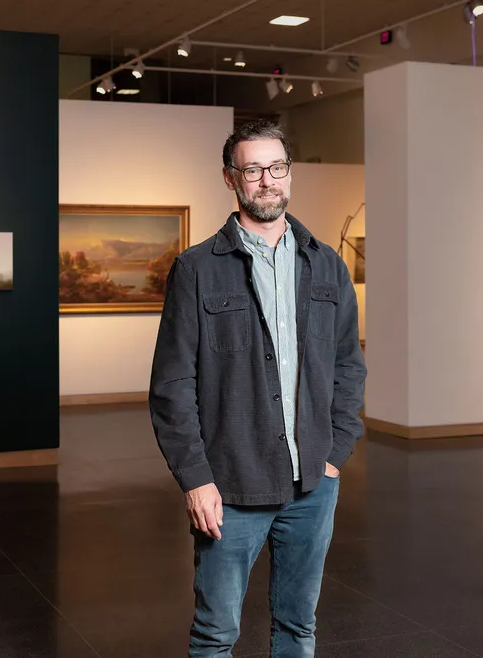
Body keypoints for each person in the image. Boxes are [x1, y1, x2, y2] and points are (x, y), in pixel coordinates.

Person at [148, 119, 366, 657]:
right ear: (231, 179)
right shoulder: (197, 269)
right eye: (252, 170)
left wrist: (335, 455)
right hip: (230, 487)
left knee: (299, 627)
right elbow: (173, 384)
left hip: (312, 485)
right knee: (216, 634)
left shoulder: (327, 266)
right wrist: (196, 480)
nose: (267, 180)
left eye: (276, 168)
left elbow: (348, 367)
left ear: (289, 173)